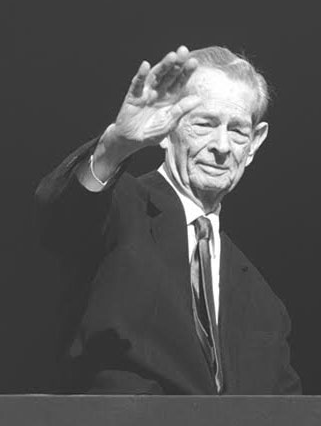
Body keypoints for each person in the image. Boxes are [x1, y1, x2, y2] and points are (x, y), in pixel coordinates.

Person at [35, 45, 301, 395]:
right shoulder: (121, 208)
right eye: (204, 124)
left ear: (254, 142)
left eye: (237, 131)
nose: (222, 146)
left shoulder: (264, 303)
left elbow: (289, 419)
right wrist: (114, 148)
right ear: (167, 128)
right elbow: (61, 219)